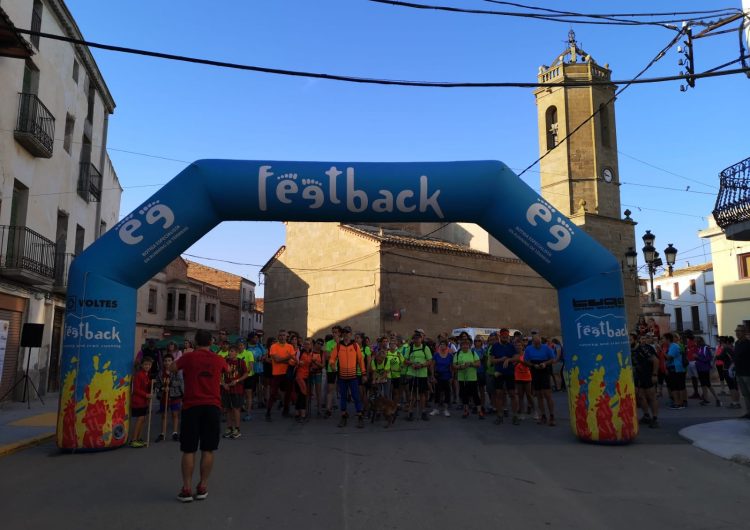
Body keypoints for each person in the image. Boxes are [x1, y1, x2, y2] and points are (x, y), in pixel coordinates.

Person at [171, 329, 229, 502]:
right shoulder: (218, 359)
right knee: (208, 449)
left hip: (191, 406)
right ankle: (202, 486)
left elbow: (172, 368)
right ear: (211, 343)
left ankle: (187, 489)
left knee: (189, 449)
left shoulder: (188, 357)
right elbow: (227, 370)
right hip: (212, 406)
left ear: (195, 342)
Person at [329, 325, 366, 428]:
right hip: (342, 377)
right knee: (343, 398)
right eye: (344, 333)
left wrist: (363, 374)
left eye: (348, 333)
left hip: (353, 377)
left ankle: (360, 416)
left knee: (356, 397)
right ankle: (343, 416)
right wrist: (332, 365)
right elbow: (332, 358)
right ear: (342, 335)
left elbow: (361, 360)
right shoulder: (338, 346)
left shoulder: (355, 346)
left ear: (351, 334)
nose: (346, 335)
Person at [523, 333, 556, 426]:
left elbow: (553, 359)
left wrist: (545, 363)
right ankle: (543, 415)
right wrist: (533, 365)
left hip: (544, 370)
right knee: (538, 395)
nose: (538, 345)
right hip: (535, 370)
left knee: (547, 394)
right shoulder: (529, 349)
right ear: (533, 342)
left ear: (541, 341)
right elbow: (525, 361)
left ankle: (552, 416)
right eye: (536, 343)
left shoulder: (546, 348)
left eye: (539, 343)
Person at [490, 328, 520, 425]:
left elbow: (517, 357)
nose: (505, 337)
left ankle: (515, 416)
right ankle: (500, 416)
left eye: (506, 336)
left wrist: (509, 360)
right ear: (500, 336)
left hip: (509, 373)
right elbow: (492, 360)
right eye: (503, 336)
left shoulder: (511, 346)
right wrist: (502, 359)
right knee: (499, 394)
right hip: (499, 373)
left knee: (512, 394)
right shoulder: (495, 346)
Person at [266, 329, 295, 422]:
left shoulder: (290, 346)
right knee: (273, 394)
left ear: (286, 336)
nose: (282, 337)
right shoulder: (273, 346)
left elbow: (292, 361)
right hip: (277, 373)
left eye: (284, 335)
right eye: (280, 335)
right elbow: (276, 360)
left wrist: (283, 360)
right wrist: (288, 358)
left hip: (287, 373)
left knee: (288, 393)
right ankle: (268, 412)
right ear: (278, 336)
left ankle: (286, 411)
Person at [404, 330, 433, 421]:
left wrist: (421, 365)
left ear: (421, 339)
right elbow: (405, 360)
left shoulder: (425, 348)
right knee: (412, 393)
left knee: (422, 394)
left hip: (422, 374)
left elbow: (430, 361)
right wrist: (412, 363)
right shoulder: (410, 348)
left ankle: (423, 412)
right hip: (412, 374)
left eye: (418, 339)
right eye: (415, 339)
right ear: (413, 340)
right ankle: (410, 412)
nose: (417, 340)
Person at [155, 353, 184, 442]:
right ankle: (162, 433)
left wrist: (171, 384)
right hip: (164, 396)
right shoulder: (160, 372)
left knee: (175, 414)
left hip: (175, 395)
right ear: (163, 362)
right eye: (165, 361)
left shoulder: (176, 371)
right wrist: (162, 387)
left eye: (169, 361)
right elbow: (157, 383)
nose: (167, 363)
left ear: (172, 361)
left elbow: (180, 381)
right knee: (164, 415)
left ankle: (175, 432)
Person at [632, 335, 659, 428]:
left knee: (651, 396)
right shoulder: (632, 350)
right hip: (638, 376)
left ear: (636, 340)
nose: (628, 340)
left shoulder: (645, 348)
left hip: (647, 375)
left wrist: (654, 374)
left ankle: (655, 418)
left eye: (630, 339)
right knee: (640, 396)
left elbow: (655, 360)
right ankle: (646, 415)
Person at [454, 337, 484, 419]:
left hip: (472, 378)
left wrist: (470, 364)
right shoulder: (457, 354)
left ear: (469, 345)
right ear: (461, 346)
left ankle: (479, 411)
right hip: (462, 378)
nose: (465, 346)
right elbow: (454, 365)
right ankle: (466, 411)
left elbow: (478, 364)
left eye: (466, 345)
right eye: (463, 345)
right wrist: (461, 366)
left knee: (475, 395)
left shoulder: (473, 353)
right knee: (464, 395)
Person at [222, 345, 248, 439]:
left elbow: (246, 374)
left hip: (237, 389)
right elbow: (220, 373)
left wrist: (237, 381)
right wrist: (223, 383)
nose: (230, 353)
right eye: (229, 351)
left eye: (232, 351)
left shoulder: (241, 362)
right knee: (228, 409)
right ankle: (229, 428)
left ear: (236, 352)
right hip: (227, 388)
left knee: (236, 409)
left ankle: (237, 429)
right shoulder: (225, 361)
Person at [129, 356, 153, 448]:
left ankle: (138, 438)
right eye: (146, 364)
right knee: (140, 419)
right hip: (138, 401)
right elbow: (135, 389)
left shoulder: (147, 375)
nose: (147, 366)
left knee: (142, 420)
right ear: (142, 365)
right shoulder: (139, 374)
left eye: (149, 365)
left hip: (143, 401)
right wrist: (146, 395)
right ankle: (134, 439)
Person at [695, 336, 720, 407]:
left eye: (696, 341)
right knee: (703, 385)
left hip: (705, 369)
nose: (696, 343)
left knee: (708, 384)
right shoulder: (699, 348)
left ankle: (717, 399)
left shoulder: (706, 348)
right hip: (700, 369)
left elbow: (707, 358)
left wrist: (697, 357)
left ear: (700, 341)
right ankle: (706, 399)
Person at [663, 333, 687, 409]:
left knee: (677, 386)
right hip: (675, 369)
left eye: (663, 339)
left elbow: (669, 357)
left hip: (677, 369)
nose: (662, 340)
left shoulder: (673, 346)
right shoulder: (672, 346)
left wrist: (661, 351)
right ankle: (678, 402)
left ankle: (680, 403)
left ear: (667, 339)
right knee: (675, 386)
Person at [717, 336, 742, 409]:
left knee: (731, 387)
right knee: (736, 386)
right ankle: (737, 403)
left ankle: (734, 403)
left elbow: (719, 357)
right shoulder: (734, 348)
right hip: (735, 369)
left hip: (727, 369)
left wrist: (717, 355)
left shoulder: (726, 349)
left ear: (727, 342)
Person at [430, 339, 453, 417]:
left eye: (443, 344)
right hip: (438, 376)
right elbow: (432, 366)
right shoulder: (436, 355)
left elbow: (451, 367)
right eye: (441, 344)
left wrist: (452, 377)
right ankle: (436, 409)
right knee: (437, 393)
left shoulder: (450, 356)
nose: (442, 346)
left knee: (447, 393)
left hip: (447, 376)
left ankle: (446, 410)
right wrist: (432, 376)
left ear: (447, 346)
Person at [513, 337, 535, 420]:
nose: (518, 347)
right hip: (518, 377)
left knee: (529, 395)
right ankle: (522, 413)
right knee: (520, 396)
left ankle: (535, 410)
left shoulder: (526, 354)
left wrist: (520, 361)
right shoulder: (514, 355)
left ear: (523, 346)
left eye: (520, 345)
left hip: (526, 376)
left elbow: (530, 365)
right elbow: (512, 365)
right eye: (517, 345)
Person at [294, 339, 313, 423]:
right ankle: (302, 414)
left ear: (311, 345)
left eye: (308, 344)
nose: (306, 345)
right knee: (303, 394)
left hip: (307, 376)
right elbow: (294, 361)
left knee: (301, 395)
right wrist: (298, 362)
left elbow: (311, 364)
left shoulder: (311, 353)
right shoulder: (300, 352)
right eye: (305, 344)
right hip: (299, 376)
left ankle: (297, 412)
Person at [324, 326, 341, 418]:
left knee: (343, 389)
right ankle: (328, 409)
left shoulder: (343, 343)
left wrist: (333, 354)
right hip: (331, 369)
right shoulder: (329, 343)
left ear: (339, 333)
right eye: (333, 332)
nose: (334, 334)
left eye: (336, 332)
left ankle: (343, 409)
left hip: (342, 368)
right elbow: (327, 356)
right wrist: (336, 354)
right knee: (330, 389)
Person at [733, 324, 750, 419]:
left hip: (748, 373)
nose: (737, 333)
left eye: (739, 331)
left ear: (744, 332)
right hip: (739, 373)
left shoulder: (748, 343)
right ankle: (748, 412)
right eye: (736, 331)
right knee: (745, 394)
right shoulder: (737, 343)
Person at [386, 338, 404, 404]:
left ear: (396, 345)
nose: (392, 345)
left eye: (394, 344)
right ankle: (389, 405)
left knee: (396, 391)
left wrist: (401, 367)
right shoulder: (386, 353)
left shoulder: (398, 354)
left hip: (397, 375)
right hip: (388, 375)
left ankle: (395, 405)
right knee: (389, 391)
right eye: (391, 344)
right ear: (389, 345)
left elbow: (403, 363)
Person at [309, 339, 325, 416]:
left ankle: (319, 409)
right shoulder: (310, 351)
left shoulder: (322, 353)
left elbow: (323, 365)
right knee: (309, 392)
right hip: (310, 373)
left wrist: (315, 362)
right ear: (315, 343)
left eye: (321, 344)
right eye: (318, 343)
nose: (320, 345)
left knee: (318, 392)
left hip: (318, 373)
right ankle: (307, 409)